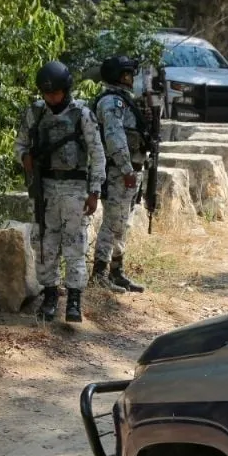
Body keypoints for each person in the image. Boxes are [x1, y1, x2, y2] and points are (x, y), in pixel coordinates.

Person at [14, 60, 107, 324]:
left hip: (75, 187)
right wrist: (24, 158)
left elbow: (97, 154)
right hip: (43, 187)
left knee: (74, 243)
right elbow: (20, 144)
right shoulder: (35, 113)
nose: (51, 98)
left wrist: (95, 191)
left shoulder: (82, 114)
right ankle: (50, 294)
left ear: (66, 90)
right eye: (47, 93)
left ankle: (74, 298)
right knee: (44, 243)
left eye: (55, 93)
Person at [89, 55, 152, 293]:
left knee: (124, 222)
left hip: (131, 170)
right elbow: (114, 138)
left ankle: (117, 271)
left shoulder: (125, 101)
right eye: (127, 74)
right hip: (118, 171)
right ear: (118, 76)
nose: (131, 79)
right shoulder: (111, 102)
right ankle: (99, 274)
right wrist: (126, 168)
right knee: (112, 222)